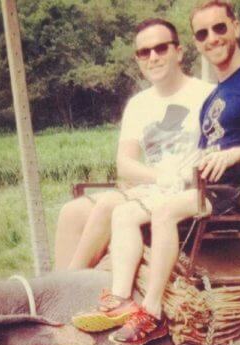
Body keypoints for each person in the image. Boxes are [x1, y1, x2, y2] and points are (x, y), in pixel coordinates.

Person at [75, 0, 240, 345]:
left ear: (236, 27)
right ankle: (120, 300)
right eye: (203, 33)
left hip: (239, 191)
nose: (213, 38)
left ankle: (152, 312)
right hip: (209, 188)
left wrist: (236, 154)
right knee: (123, 212)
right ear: (196, 43)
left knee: (163, 212)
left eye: (220, 28)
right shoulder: (216, 96)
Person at [53, 18, 213, 271]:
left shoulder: (206, 95)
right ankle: (58, 285)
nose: (153, 57)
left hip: (186, 190)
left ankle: (69, 283)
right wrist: (157, 177)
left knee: (107, 206)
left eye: (161, 48)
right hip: (153, 187)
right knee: (70, 212)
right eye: (143, 52)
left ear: (179, 52)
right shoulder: (138, 104)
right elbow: (124, 164)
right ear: (138, 59)